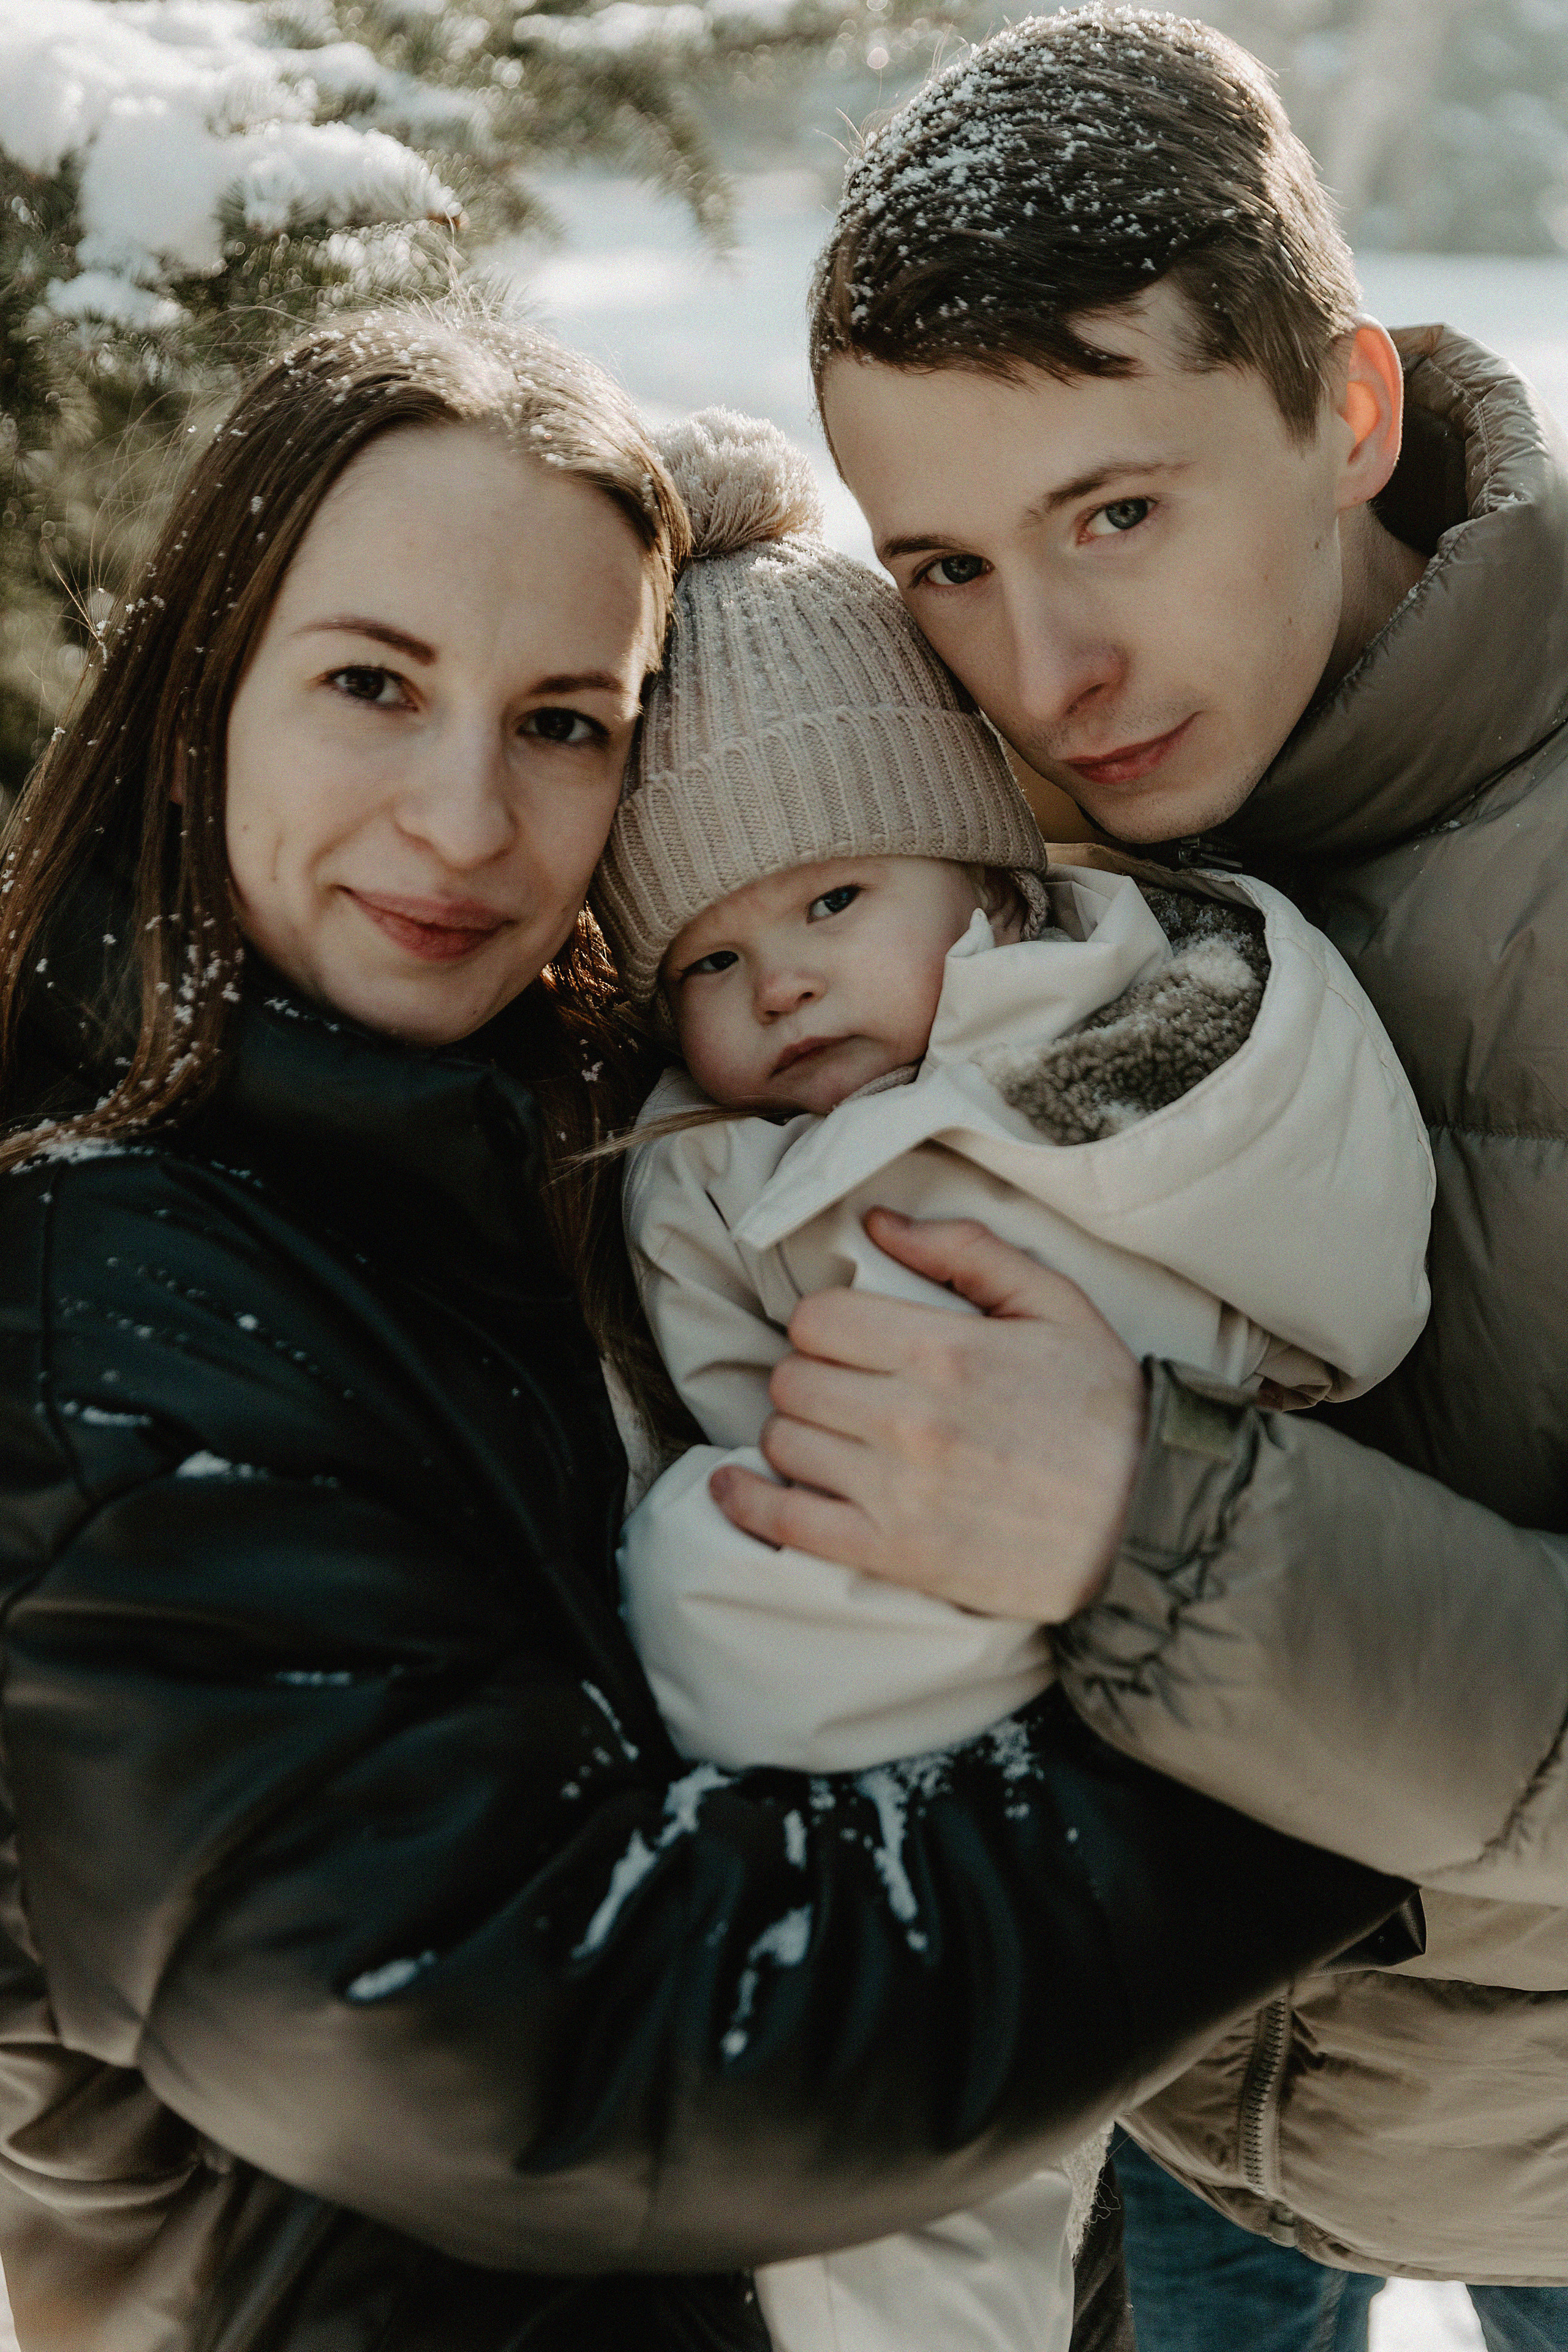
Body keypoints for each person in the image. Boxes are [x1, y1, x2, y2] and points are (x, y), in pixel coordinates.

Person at [0, 296, 1405, 2352]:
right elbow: (545, 2043)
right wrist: (1306, 1749)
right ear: (203, 689)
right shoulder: (95, 1302)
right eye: (374, 683)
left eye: (566, 719)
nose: (470, 822)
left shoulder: (559, 1157)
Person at [691, 9, 1568, 2348]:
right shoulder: (989, 846)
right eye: (949, 564)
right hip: (1182, 2111)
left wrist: (1146, 1519)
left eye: (1117, 511)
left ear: (1347, 409)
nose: (1049, 665)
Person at [590, 406, 1434, 2352]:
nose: (780, 984)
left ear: (977, 881)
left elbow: (1320, 1255)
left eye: (829, 905)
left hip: (1197, 1624)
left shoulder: (1139, 1013)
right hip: (926, 1734)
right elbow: (717, 1417)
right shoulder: (701, 1167)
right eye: (706, 961)